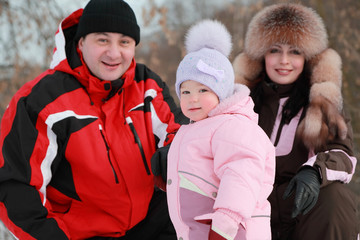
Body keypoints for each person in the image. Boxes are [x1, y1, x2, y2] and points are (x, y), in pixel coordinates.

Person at [0, 0, 186, 239]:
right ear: (80, 42)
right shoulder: (41, 101)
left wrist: (173, 152)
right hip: (83, 234)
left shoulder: (145, 84)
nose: (114, 52)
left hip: (149, 224)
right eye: (102, 39)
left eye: (124, 42)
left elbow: (178, 133)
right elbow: (16, 187)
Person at [232, 3, 359, 240]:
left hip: (302, 212)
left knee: (335, 197)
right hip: (253, 214)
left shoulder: (324, 101)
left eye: (295, 51)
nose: (284, 61)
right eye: (274, 50)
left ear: (308, 56)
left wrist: (314, 172)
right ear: (261, 55)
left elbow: (344, 156)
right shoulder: (240, 103)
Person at [164, 19, 276, 240]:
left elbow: (240, 179)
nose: (192, 98)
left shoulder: (233, 126)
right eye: (185, 92)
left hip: (232, 232)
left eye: (203, 89)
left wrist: (224, 227)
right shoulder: (198, 127)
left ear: (221, 92)